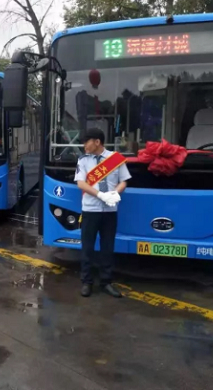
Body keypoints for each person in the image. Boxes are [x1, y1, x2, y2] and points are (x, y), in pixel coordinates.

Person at [75, 128, 131, 298]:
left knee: (107, 247)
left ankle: (106, 282)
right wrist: (101, 195)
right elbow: (81, 183)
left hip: (109, 211)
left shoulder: (115, 159)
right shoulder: (83, 161)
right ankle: (87, 282)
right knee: (87, 248)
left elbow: (124, 181)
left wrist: (114, 194)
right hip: (90, 210)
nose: (84, 146)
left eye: (86, 142)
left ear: (97, 142)